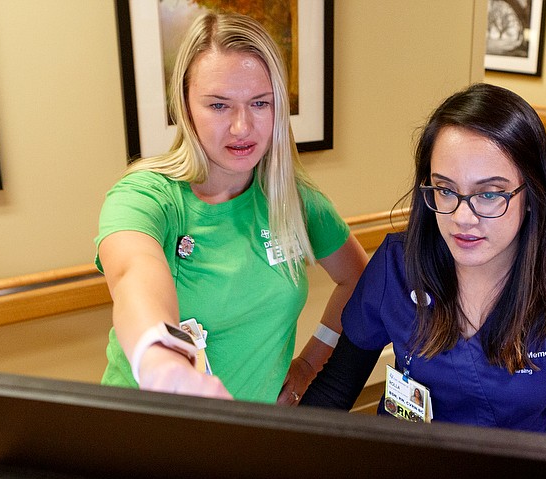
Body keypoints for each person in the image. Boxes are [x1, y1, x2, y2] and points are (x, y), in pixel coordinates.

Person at [301, 83, 546, 439]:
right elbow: (336, 387)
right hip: (405, 471)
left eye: (490, 194)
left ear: (532, 194)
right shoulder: (397, 267)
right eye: (445, 190)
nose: (462, 218)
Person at [95, 10, 367, 404]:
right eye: (219, 106)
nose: (242, 127)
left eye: (259, 103)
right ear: (186, 107)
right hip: (144, 433)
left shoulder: (292, 200)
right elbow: (133, 273)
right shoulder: (146, 196)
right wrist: (162, 363)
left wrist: (310, 362)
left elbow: (357, 280)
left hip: (245, 438)